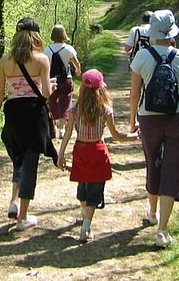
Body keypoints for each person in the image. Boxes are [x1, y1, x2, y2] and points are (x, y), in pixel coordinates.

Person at [129, 9, 179, 248]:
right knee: (172, 167)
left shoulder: (142, 56)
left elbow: (135, 94)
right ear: (172, 33)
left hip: (148, 119)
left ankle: (152, 211)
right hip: (176, 117)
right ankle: (162, 230)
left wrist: (132, 120)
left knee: (153, 162)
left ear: (152, 32)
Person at [0, 17, 58, 231]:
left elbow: (0, 95)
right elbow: (45, 93)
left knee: (18, 159)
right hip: (34, 114)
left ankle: (14, 201)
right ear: (36, 36)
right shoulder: (42, 59)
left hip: (13, 114)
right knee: (30, 163)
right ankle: (22, 217)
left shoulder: (5, 61)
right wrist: (51, 87)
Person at [57, 68, 139, 242]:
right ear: (101, 89)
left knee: (83, 184)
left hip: (80, 149)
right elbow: (115, 135)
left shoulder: (75, 108)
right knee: (95, 187)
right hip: (97, 150)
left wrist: (61, 154)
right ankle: (86, 226)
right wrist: (132, 136)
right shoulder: (106, 109)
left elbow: (68, 132)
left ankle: (85, 214)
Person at [44, 24, 81, 138]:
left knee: (53, 101)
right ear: (64, 34)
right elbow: (76, 63)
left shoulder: (47, 49)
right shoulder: (68, 48)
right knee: (66, 101)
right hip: (66, 78)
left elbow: (45, 65)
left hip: (52, 79)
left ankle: (53, 126)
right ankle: (62, 129)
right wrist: (78, 70)